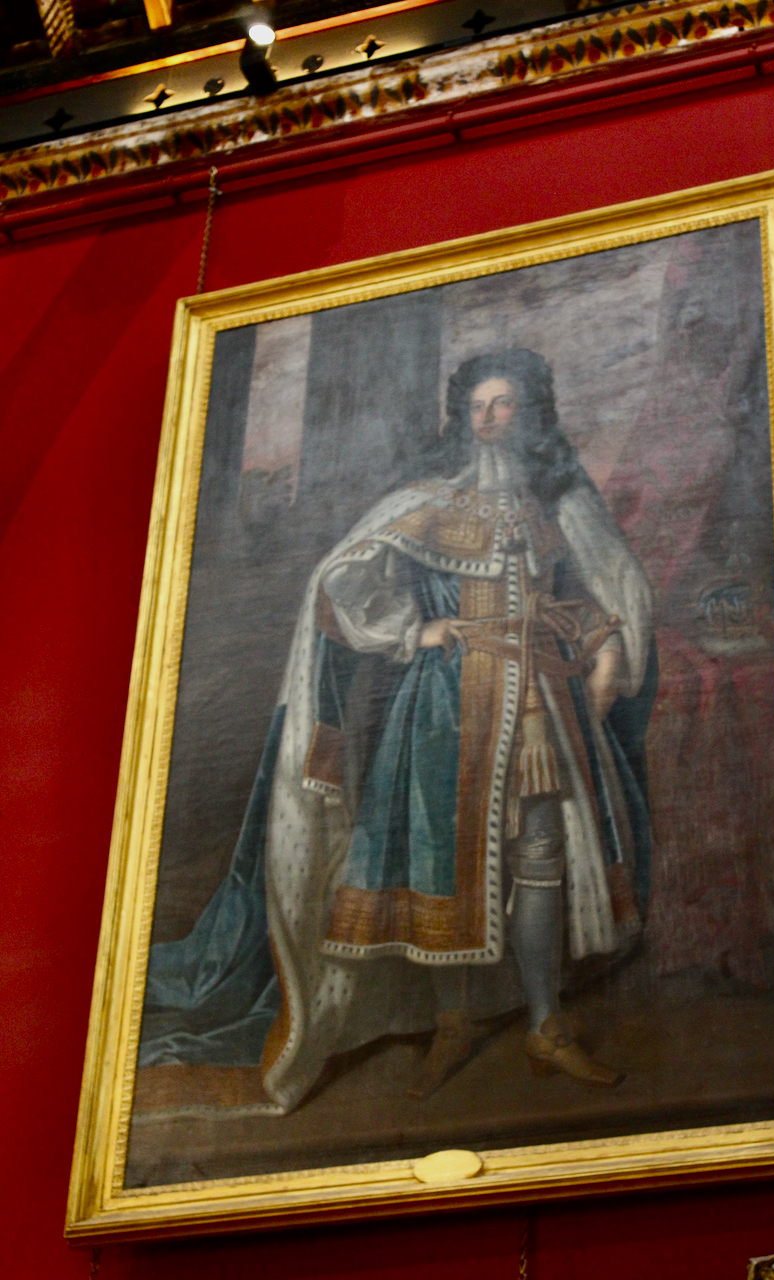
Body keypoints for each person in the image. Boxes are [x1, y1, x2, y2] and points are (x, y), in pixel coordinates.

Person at [140, 348, 657, 1114]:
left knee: (540, 858)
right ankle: (451, 1024)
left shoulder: (556, 502)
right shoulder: (430, 501)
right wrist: (413, 630)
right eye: (476, 406)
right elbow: (339, 578)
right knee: (440, 864)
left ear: (529, 412)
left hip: (543, 705)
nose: (487, 418)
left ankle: (546, 1026)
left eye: (503, 403)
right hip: (446, 707)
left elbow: (599, 584)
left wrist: (606, 645)